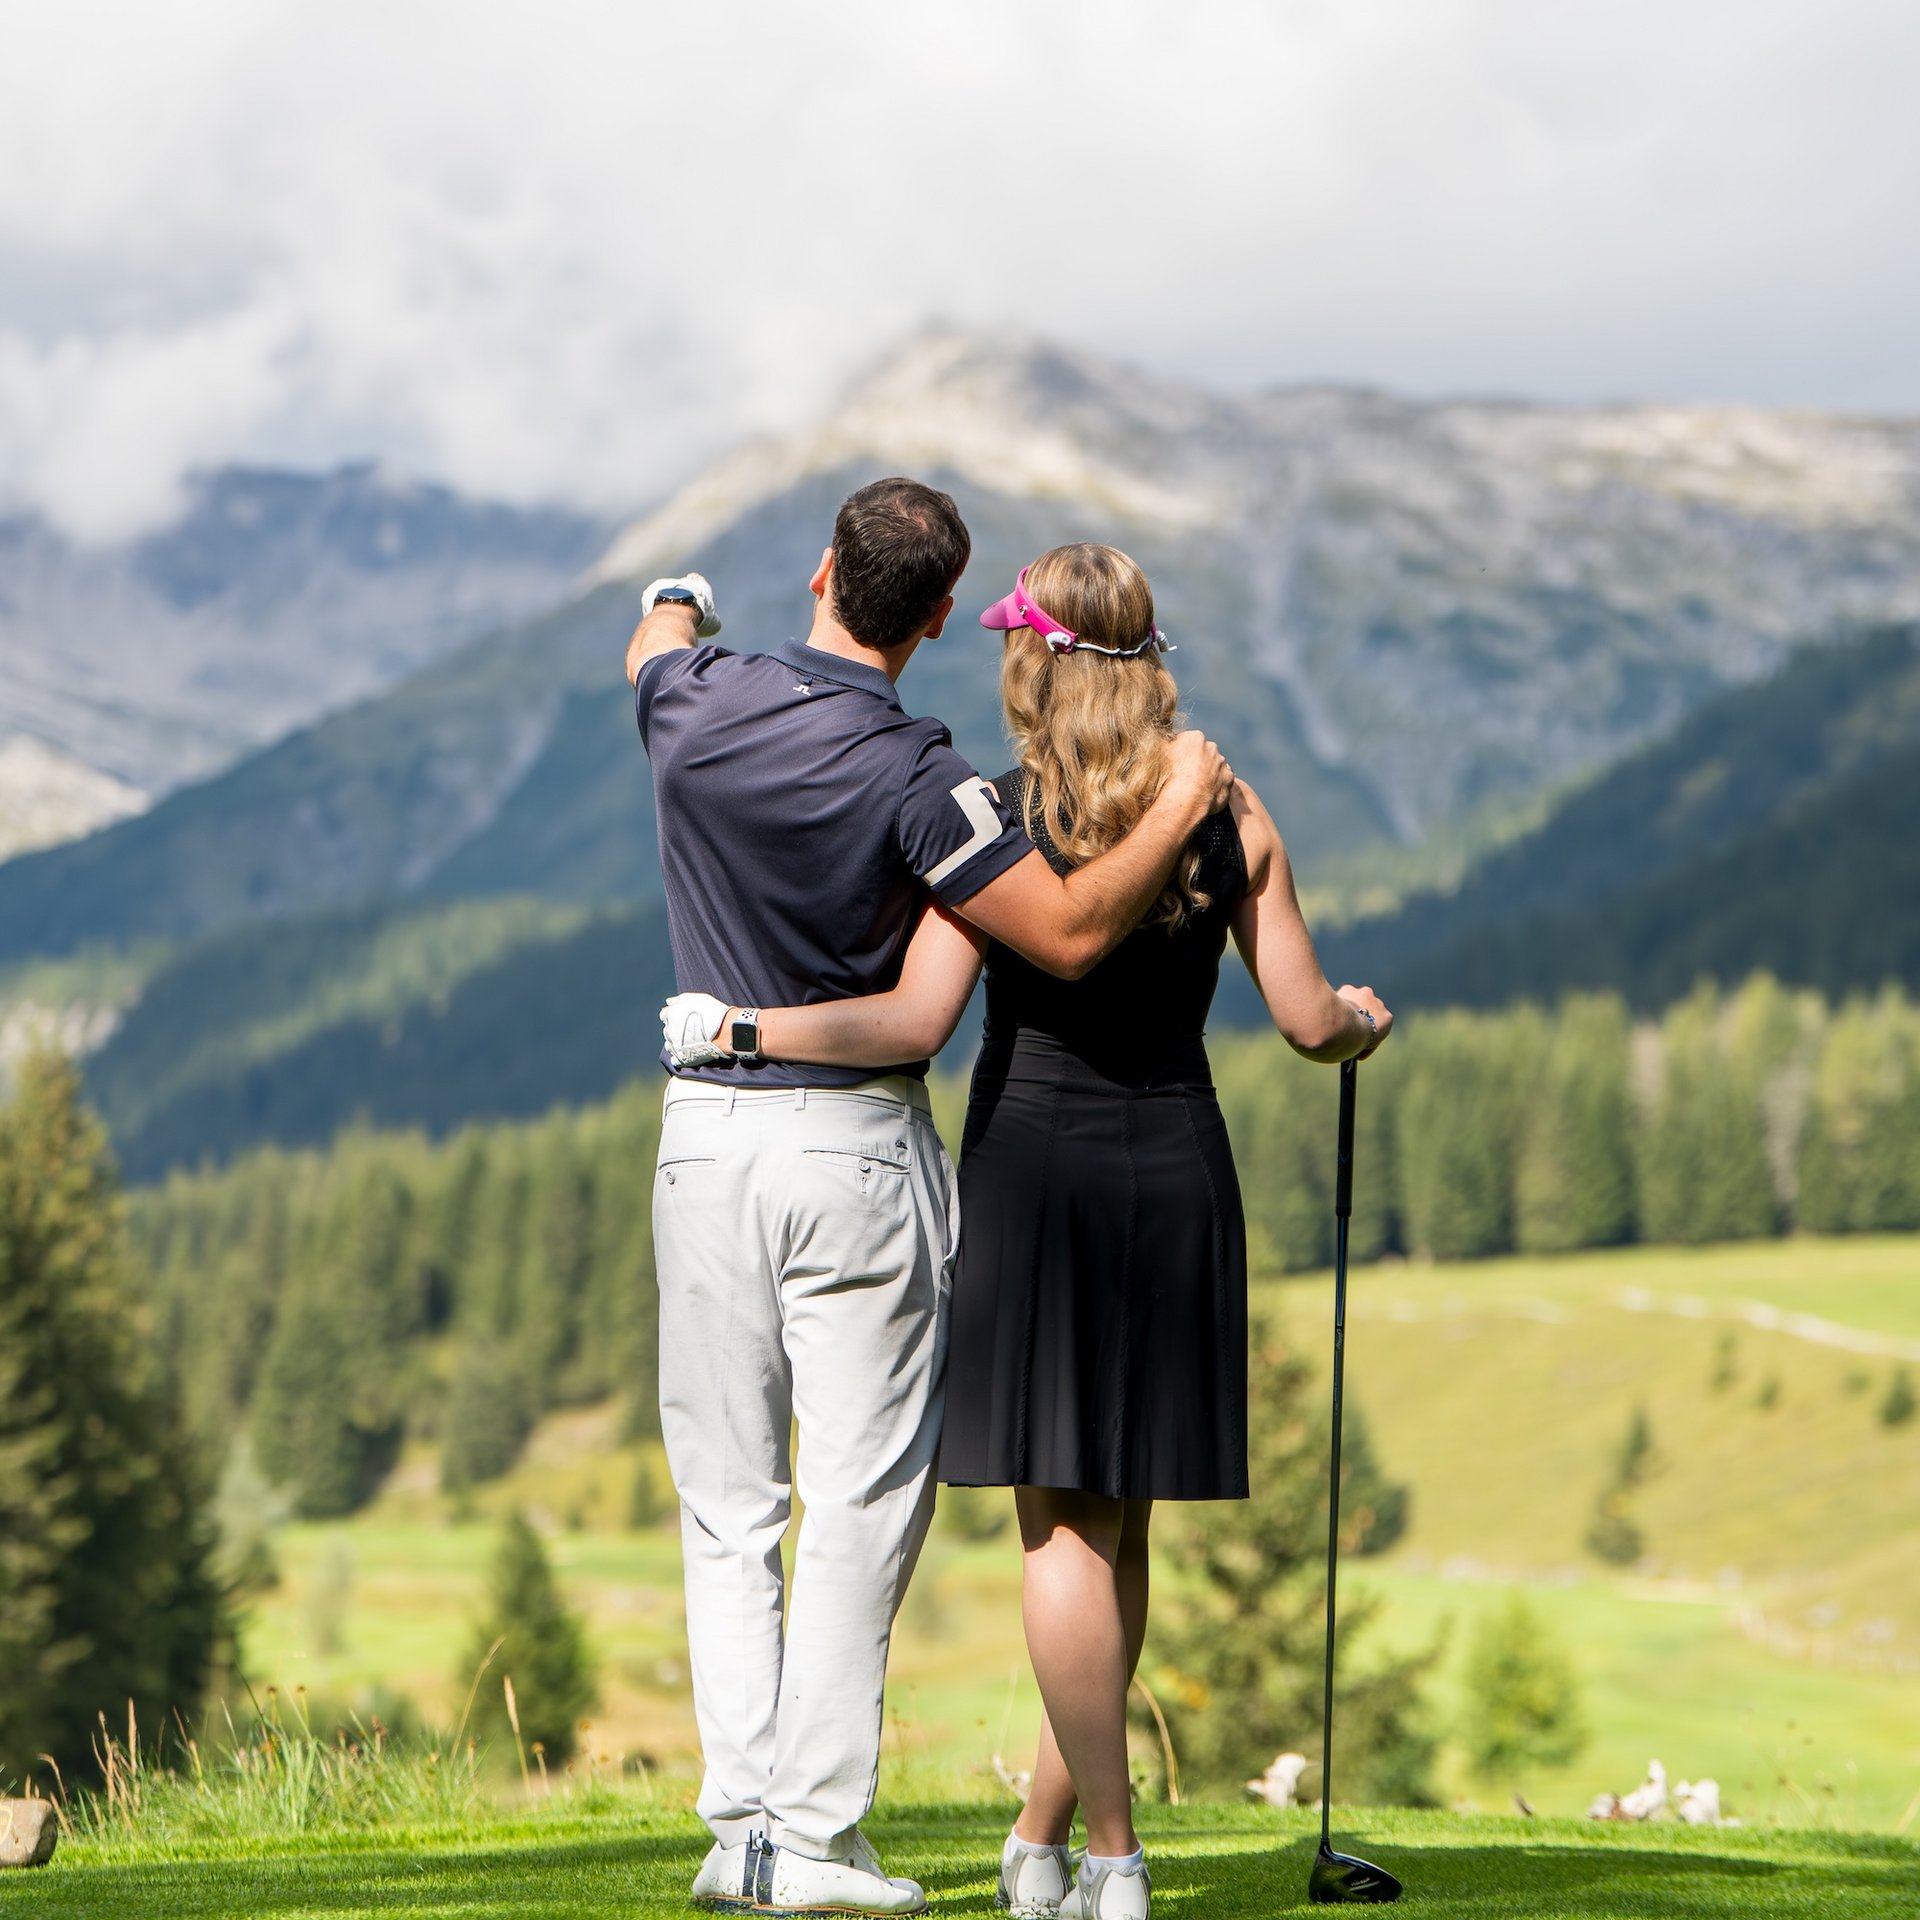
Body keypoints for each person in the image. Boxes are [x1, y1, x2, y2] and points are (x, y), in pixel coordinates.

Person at [662, 542, 1392, 1920]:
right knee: (1126, 1527)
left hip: (1032, 1168)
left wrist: (737, 1030)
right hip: (1176, 1166)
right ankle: (1042, 1849)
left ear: (1030, 661)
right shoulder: (1230, 814)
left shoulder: (999, 815)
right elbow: (1308, 1025)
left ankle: (1099, 1856)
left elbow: (916, 1021)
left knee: (1065, 1529)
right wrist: (1364, 1020)